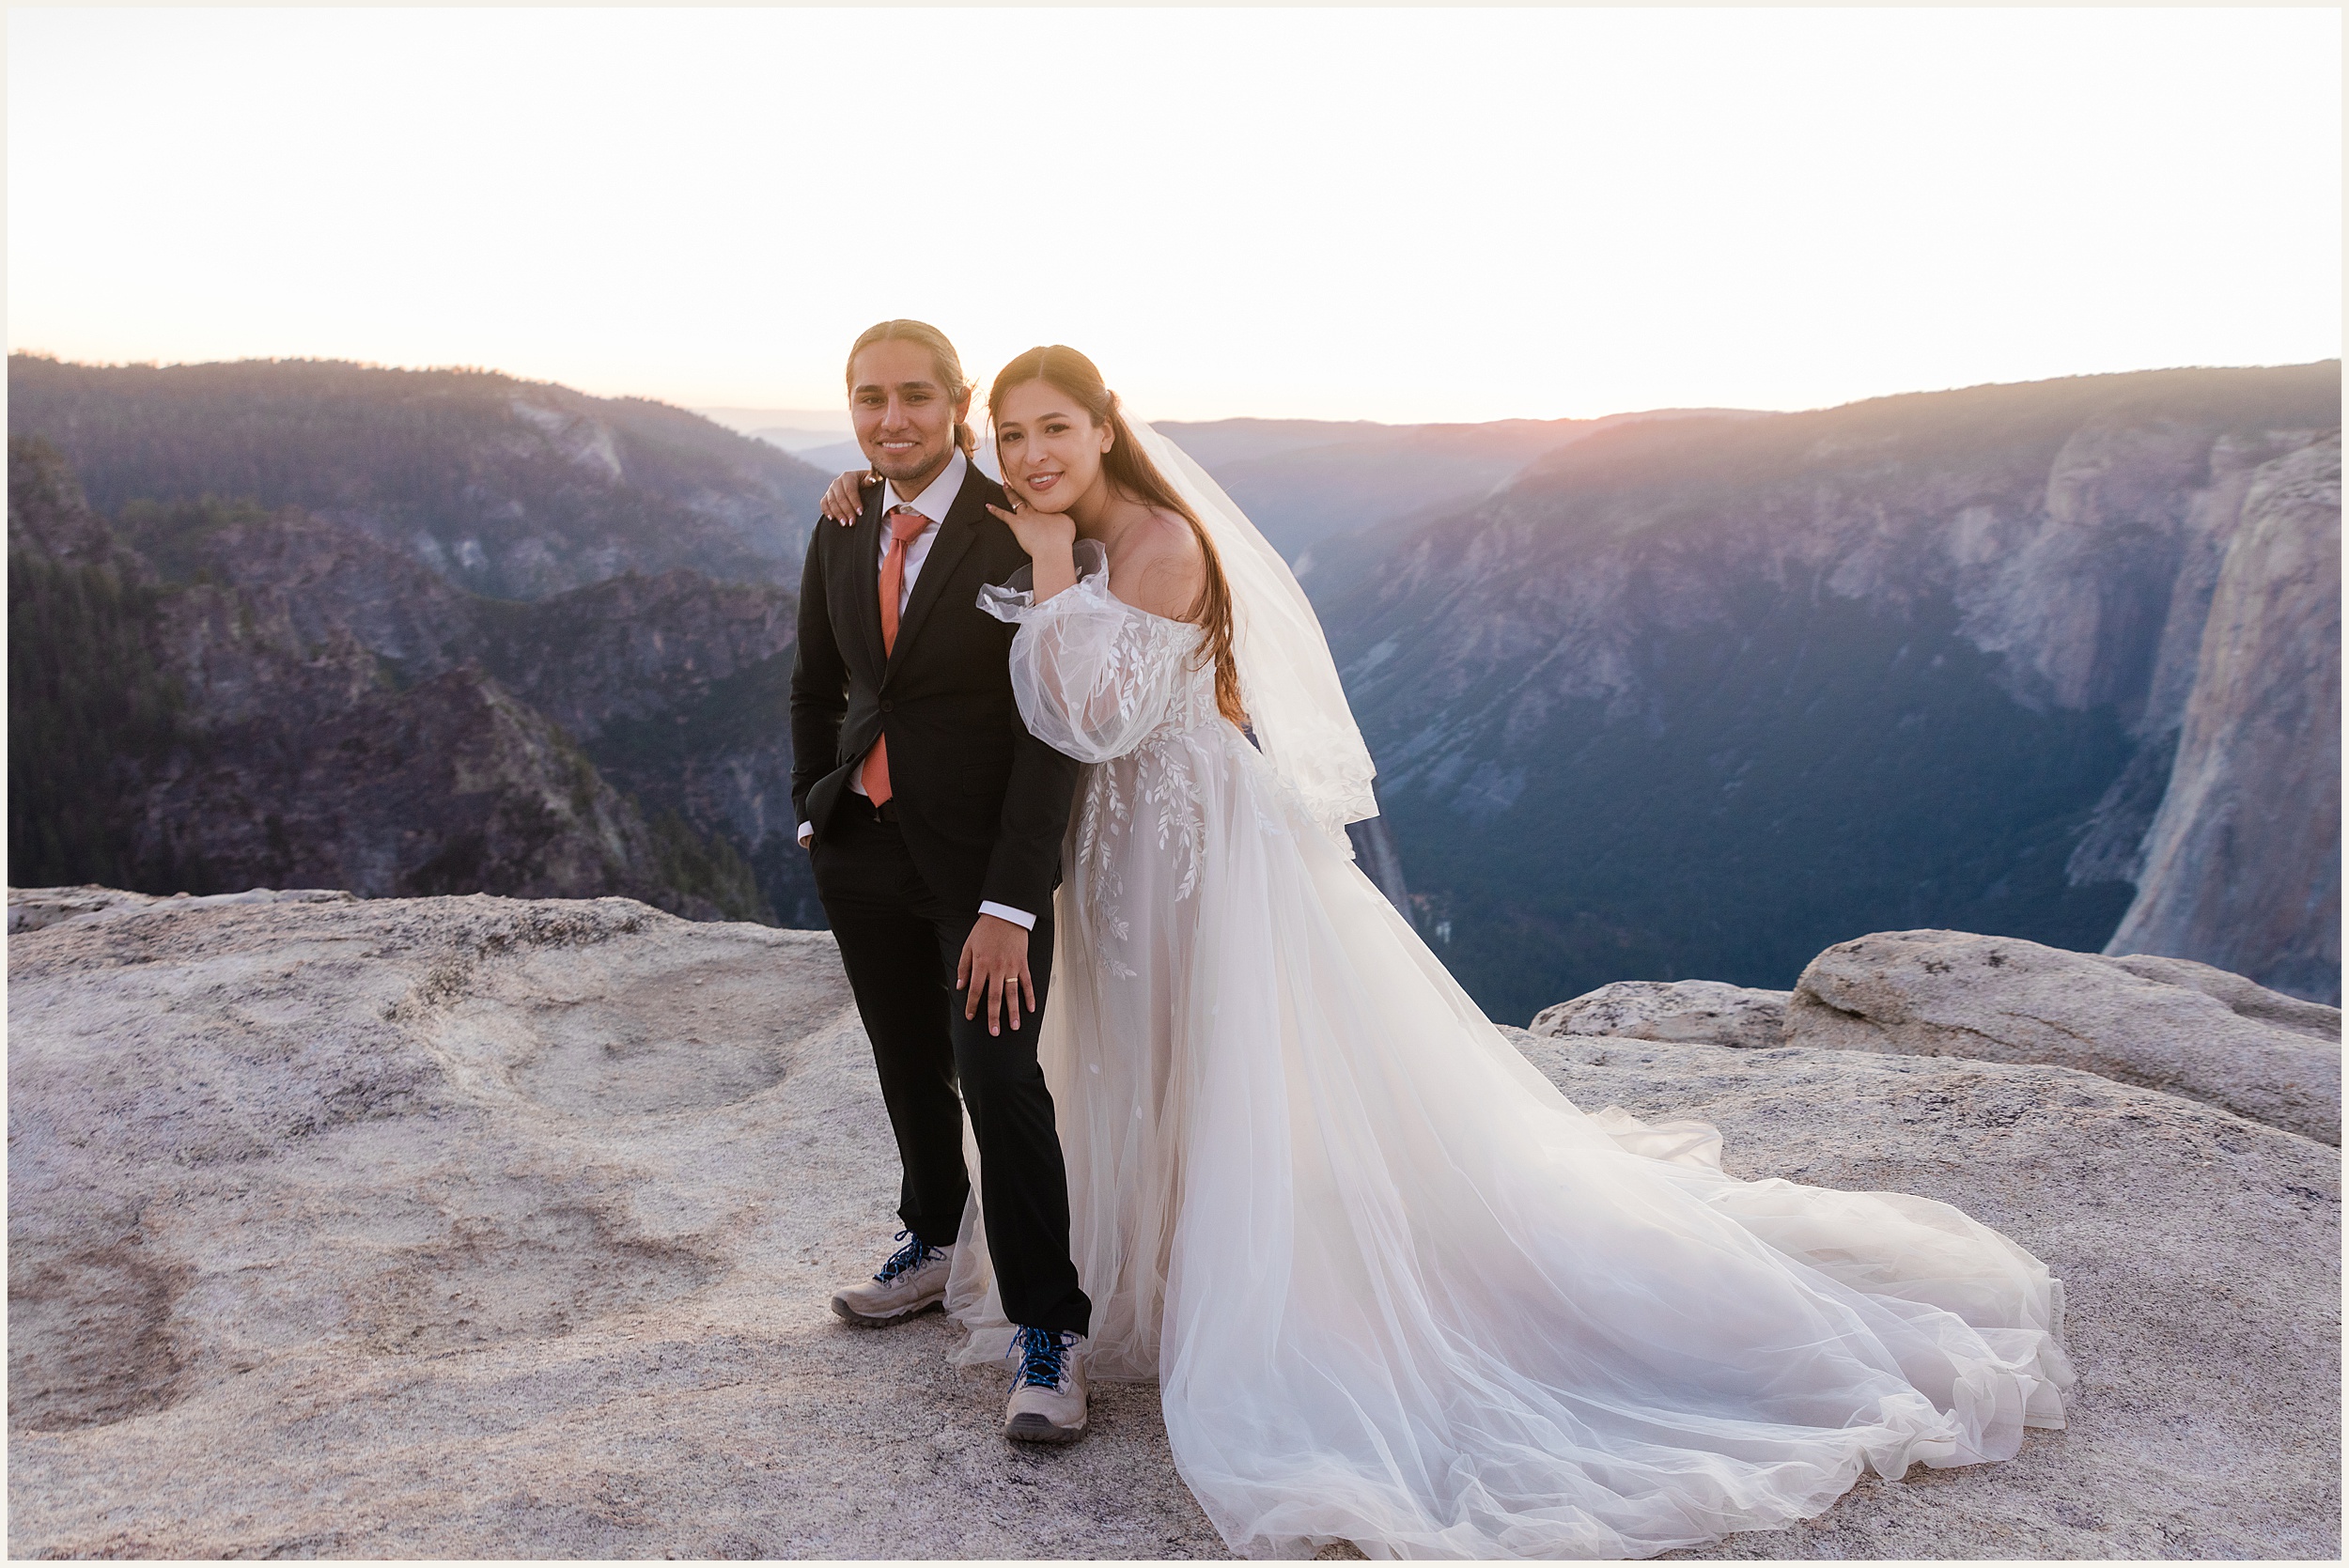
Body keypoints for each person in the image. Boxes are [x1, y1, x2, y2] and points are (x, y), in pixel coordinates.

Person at [816, 346, 2073, 1558]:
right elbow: (924, 560)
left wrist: (1043, 572)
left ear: (1105, 423)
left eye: (1055, 428)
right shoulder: (1061, 527)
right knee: (1137, 1061)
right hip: (1117, 853)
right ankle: (1144, 1266)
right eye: (1015, 434)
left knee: (1223, 1058)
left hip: (1190, 849)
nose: (1032, 453)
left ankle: (1255, 1296)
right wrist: (876, 492)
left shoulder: (1153, 541)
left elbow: (1089, 718)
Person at [788, 320, 1094, 1444]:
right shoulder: (842, 520)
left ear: (957, 402)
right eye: (870, 398)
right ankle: (931, 1235)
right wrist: (811, 804)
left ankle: (1050, 1330)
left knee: (998, 1076)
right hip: (860, 842)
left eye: (915, 396)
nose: (891, 418)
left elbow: (1051, 734)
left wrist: (1014, 902)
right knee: (905, 1056)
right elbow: (813, 683)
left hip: (980, 869)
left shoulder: (1023, 530)